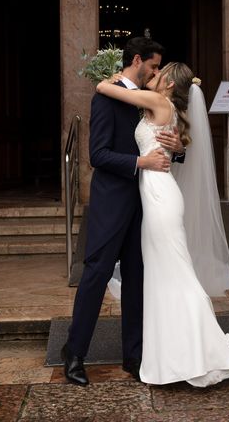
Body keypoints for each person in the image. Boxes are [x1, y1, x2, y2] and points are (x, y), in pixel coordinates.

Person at [95, 61, 229, 387]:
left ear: (166, 85)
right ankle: (176, 355)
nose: (152, 75)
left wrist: (113, 75)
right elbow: (171, 144)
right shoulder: (169, 110)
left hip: (161, 198)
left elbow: (103, 89)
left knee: (175, 273)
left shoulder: (158, 102)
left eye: (158, 74)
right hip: (157, 196)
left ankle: (207, 351)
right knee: (164, 275)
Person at [62, 37, 184, 386]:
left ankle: (135, 355)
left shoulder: (149, 98)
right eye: (154, 65)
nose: (157, 72)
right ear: (136, 60)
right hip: (112, 201)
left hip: (148, 203)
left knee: (136, 279)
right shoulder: (106, 97)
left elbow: (163, 141)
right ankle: (75, 353)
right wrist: (140, 162)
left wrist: (176, 149)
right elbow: (97, 155)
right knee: (96, 274)